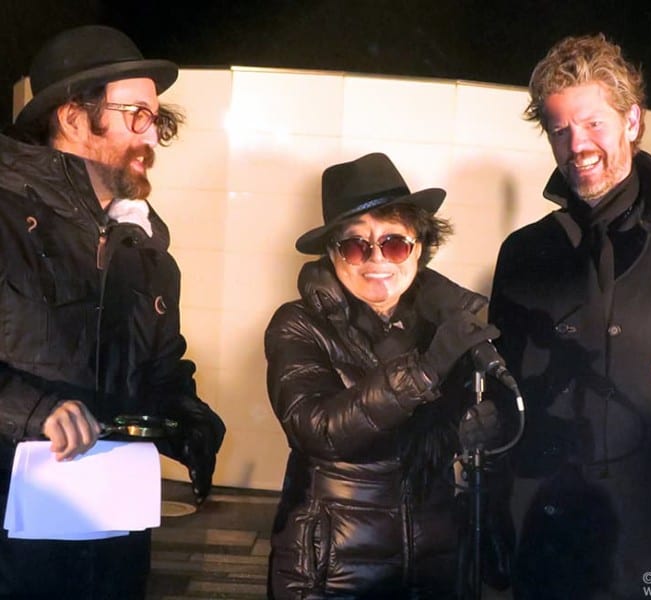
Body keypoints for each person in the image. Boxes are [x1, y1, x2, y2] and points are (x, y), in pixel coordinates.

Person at [488, 33, 651, 599]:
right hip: (538, 551)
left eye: (593, 123)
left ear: (632, 121)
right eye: (560, 129)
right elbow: (500, 403)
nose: (577, 144)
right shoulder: (523, 252)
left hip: (650, 551)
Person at [0, 25, 225, 598]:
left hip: (113, 548)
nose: (150, 136)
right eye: (136, 115)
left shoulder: (146, 250)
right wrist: (36, 410)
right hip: (13, 546)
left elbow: (161, 368)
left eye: (157, 118)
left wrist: (185, 415)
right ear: (74, 118)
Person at [264, 152, 512, 599]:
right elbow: (317, 429)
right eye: (356, 245)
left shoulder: (449, 322)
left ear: (420, 247)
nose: (376, 260)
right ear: (333, 254)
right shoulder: (297, 325)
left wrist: (475, 426)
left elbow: (448, 437)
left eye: (394, 243)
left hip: (433, 569)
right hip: (332, 575)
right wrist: (427, 368)